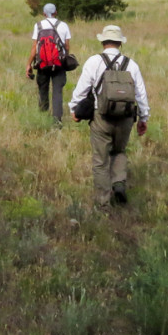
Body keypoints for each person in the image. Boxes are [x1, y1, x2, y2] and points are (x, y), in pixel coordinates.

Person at [69, 25, 150, 207]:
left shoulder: (93, 62)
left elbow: (81, 90)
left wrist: (74, 110)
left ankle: (103, 202)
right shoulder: (132, 64)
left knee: (100, 161)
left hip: (101, 117)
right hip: (126, 118)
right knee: (119, 151)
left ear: (103, 41)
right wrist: (143, 118)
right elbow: (141, 95)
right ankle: (119, 183)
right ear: (120, 43)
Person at [27, 3, 72, 127]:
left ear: (44, 13)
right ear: (56, 12)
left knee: (43, 90)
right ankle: (57, 121)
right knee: (57, 92)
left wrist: (29, 64)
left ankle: (43, 117)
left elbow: (35, 47)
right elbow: (67, 46)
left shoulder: (39, 25)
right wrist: (65, 58)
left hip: (42, 64)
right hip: (59, 64)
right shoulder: (64, 25)